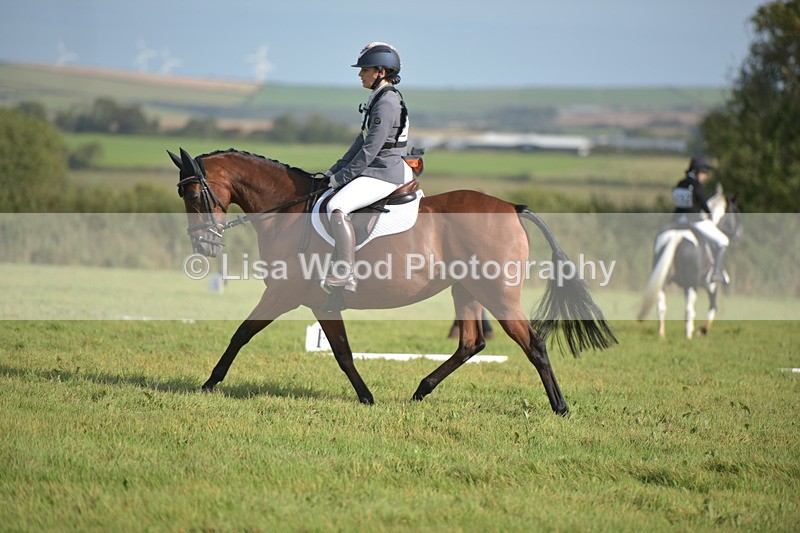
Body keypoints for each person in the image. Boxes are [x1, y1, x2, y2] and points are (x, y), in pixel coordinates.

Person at [321, 42, 412, 294]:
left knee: (335, 206)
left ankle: (346, 272)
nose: (360, 74)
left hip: (383, 172)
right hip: (378, 168)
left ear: (380, 72)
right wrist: (333, 171)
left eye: (365, 69)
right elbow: (360, 141)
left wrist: (342, 178)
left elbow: (370, 150)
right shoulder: (379, 98)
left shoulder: (387, 103)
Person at [672, 155, 729, 283]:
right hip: (694, 221)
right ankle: (716, 273)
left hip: (678, 220)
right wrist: (709, 214)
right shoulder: (696, 186)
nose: (705, 176)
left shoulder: (680, 184)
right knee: (723, 241)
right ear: (696, 171)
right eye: (704, 172)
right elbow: (703, 204)